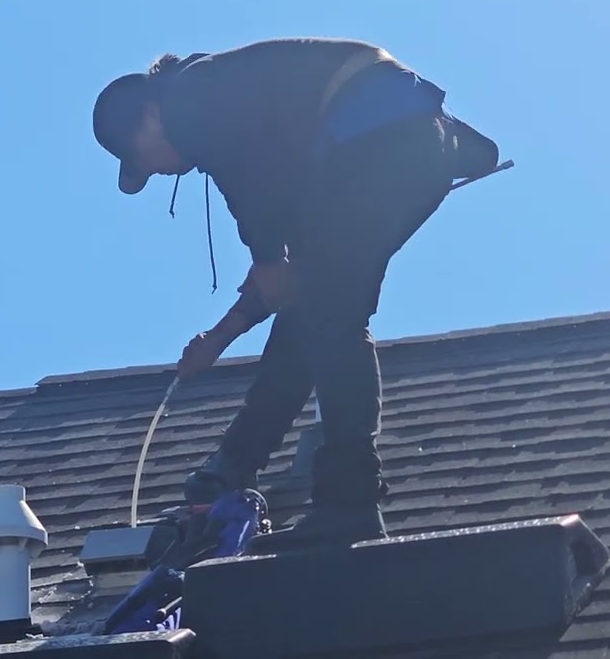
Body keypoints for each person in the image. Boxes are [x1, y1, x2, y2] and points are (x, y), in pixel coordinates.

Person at [91, 37, 503, 546]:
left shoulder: (192, 97)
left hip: (380, 141)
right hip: (411, 147)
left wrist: (266, 257)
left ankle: (348, 500)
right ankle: (234, 466)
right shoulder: (259, 115)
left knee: (330, 318)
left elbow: (258, 212)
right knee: (317, 311)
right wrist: (221, 336)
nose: (157, 170)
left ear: (148, 117)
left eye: (142, 159)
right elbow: (291, 276)